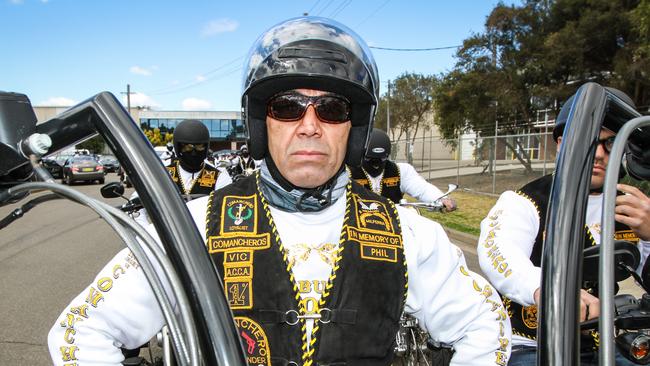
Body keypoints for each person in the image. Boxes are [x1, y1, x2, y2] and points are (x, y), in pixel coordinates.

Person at [48, 17, 510, 365]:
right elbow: (79, 332)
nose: (309, 126)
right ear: (261, 123)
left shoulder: (410, 234)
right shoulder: (192, 227)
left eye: (331, 108)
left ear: (354, 129)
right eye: (287, 107)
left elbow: (486, 326)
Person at [477, 88, 650, 365]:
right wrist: (545, 289)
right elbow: (498, 252)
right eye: (590, 142)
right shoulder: (525, 201)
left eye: (612, 143)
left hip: (604, 341)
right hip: (532, 343)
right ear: (561, 143)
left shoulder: (635, 206)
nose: (599, 154)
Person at [349, 128, 457, 211]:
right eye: (369, 158)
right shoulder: (346, 173)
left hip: (393, 227)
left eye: (381, 159)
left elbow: (422, 188)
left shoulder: (401, 171)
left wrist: (441, 199)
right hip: (357, 228)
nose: (376, 164)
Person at [167, 119, 231, 196]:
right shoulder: (164, 174)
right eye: (188, 147)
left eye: (199, 147)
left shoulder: (219, 178)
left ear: (206, 148)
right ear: (179, 148)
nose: (193, 153)